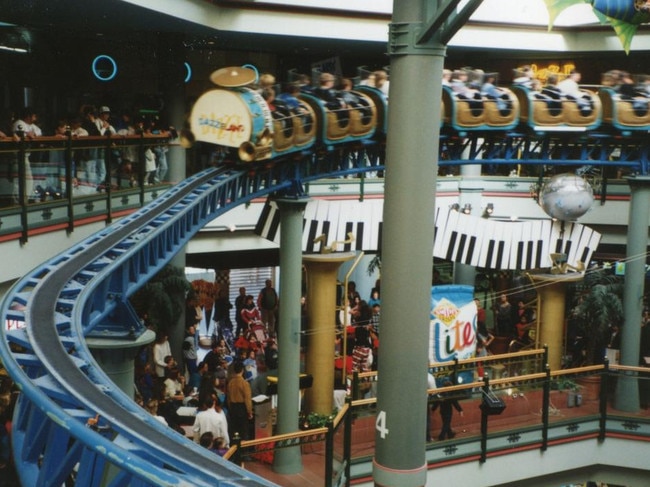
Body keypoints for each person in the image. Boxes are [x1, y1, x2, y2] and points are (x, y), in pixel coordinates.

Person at [227, 361, 253, 441]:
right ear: (242, 370)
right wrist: (250, 411)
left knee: (235, 431)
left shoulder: (230, 383)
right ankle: (244, 450)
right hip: (242, 408)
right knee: (243, 431)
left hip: (233, 408)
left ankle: (235, 447)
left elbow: (228, 398)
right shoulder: (244, 383)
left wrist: (230, 408)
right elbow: (247, 399)